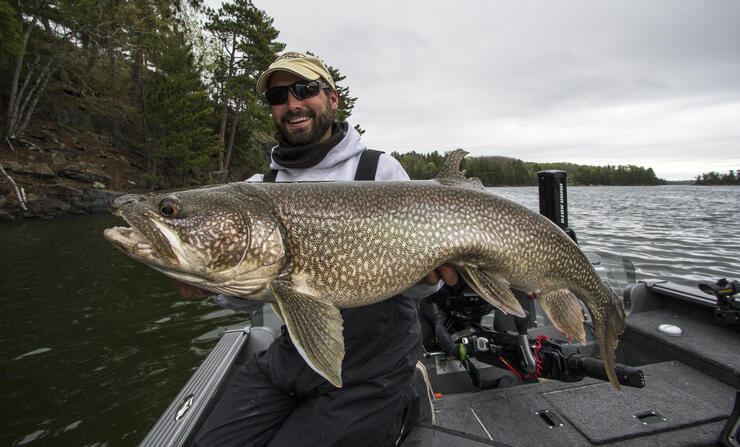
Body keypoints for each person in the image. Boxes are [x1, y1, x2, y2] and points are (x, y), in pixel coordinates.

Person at [180, 51, 457, 447]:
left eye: (304, 89)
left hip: (373, 367)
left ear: (331, 99)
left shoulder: (381, 172)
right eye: (278, 97)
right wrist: (208, 284)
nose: (292, 104)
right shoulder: (259, 186)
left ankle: (410, 387)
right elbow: (252, 288)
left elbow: (423, 285)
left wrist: (427, 280)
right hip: (292, 357)